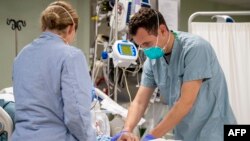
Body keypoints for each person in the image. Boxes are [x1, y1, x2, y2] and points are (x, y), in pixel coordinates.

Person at [112, 7, 236, 141]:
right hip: (186, 135)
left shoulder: (195, 49)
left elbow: (185, 103)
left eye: (147, 43)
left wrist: (150, 137)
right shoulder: (153, 61)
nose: (144, 50)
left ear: (163, 30)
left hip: (217, 131)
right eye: (140, 46)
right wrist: (127, 130)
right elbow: (140, 102)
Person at [12, 1, 96, 141]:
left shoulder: (21, 56)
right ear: (71, 28)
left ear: (44, 26)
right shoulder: (71, 56)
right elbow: (77, 117)